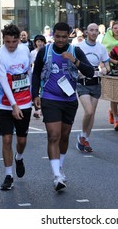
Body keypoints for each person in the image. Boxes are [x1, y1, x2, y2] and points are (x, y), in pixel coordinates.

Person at [32, 22, 94, 191]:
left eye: (64, 37)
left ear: (69, 36)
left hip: (69, 100)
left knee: (64, 136)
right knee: (54, 135)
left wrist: (74, 61)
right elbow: (36, 73)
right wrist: (35, 95)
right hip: (49, 98)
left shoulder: (75, 51)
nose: (60, 40)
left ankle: (59, 166)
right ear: (53, 35)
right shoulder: (45, 51)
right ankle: (56, 176)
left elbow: (90, 72)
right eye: (57, 36)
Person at [0, 23, 33, 191]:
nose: (10, 45)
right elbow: (2, 80)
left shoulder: (25, 50)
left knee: (21, 140)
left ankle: (19, 157)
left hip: (25, 102)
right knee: (7, 139)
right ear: (3, 40)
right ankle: (8, 175)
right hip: (6, 104)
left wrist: (33, 97)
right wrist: (14, 105)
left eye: (14, 42)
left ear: (19, 40)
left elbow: (29, 73)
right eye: (7, 42)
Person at [76, 23, 110, 153]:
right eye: (92, 30)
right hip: (82, 83)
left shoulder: (101, 48)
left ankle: (85, 138)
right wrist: (78, 71)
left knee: (92, 114)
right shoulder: (79, 47)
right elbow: (72, 64)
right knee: (89, 111)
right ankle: (82, 136)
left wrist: (105, 70)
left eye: (96, 30)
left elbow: (107, 65)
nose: (94, 33)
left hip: (96, 83)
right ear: (86, 32)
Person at [102, 21, 118, 131]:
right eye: (115, 28)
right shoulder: (106, 38)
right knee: (114, 94)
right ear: (111, 29)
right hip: (111, 67)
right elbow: (104, 54)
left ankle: (113, 111)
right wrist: (114, 62)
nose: (117, 30)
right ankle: (116, 119)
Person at [30, 35, 47, 118]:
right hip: (35, 73)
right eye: (38, 41)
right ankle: (37, 109)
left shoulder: (46, 51)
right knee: (35, 90)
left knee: (43, 91)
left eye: (41, 41)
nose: (40, 43)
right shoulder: (33, 53)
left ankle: (43, 108)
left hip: (44, 74)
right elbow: (30, 64)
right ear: (35, 43)